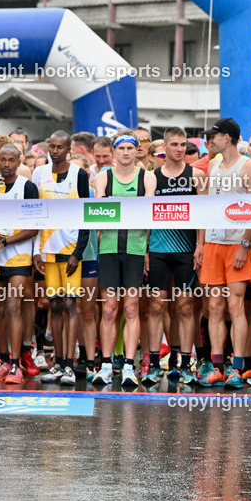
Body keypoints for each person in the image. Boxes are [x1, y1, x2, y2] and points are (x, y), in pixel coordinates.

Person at [197, 117, 251, 389]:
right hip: (212, 243)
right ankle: (217, 366)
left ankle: (237, 367)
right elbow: (207, 207)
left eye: (215, 135)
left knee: (236, 306)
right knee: (213, 307)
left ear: (229, 137)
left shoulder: (249, 166)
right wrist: (200, 244)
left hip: (236, 245)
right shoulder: (212, 164)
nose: (211, 140)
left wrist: (245, 246)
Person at [142, 126, 205, 390]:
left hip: (186, 250)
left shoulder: (197, 175)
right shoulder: (151, 177)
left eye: (183, 145)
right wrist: (145, 249)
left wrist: (200, 245)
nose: (179, 149)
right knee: (156, 306)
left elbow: (203, 212)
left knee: (185, 307)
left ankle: (185, 363)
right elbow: (145, 213)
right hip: (157, 249)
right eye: (174, 145)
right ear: (164, 148)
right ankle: (155, 363)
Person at [32, 131, 90, 385]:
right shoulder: (39, 174)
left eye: (60, 147)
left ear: (69, 149)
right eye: (51, 146)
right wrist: (36, 250)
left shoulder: (80, 174)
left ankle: (69, 364)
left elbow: (87, 214)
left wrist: (79, 252)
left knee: (70, 305)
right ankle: (56, 363)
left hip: (70, 250)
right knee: (53, 305)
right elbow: (33, 214)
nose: (55, 151)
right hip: (47, 248)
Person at [92, 131, 148, 387]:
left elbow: (147, 214)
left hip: (135, 248)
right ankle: (105, 364)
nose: (126, 152)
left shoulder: (146, 176)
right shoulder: (104, 176)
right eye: (121, 148)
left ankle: (128, 365)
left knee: (131, 308)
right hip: (110, 249)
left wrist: (146, 250)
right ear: (114, 152)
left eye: (130, 148)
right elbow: (99, 211)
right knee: (108, 309)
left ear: (137, 151)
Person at [0, 142, 39, 384]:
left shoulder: (28, 187)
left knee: (14, 306)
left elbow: (34, 228)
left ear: (19, 161)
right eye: (1, 160)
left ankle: (16, 364)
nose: (6, 164)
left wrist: (4, 240)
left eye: (11, 160)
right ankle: (3, 360)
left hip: (18, 255)